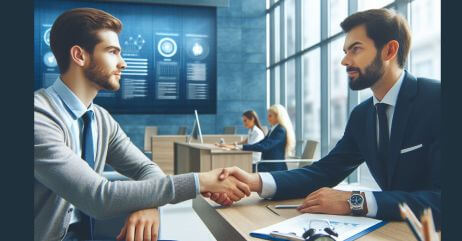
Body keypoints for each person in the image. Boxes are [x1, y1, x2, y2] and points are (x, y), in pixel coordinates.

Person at [210, 8, 441, 228]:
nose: (345, 61)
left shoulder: (439, 101)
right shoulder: (362, 115)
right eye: (345, 51)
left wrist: (354, 201)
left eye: (356, 49)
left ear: (389, 51)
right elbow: (324, 172)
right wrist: (254, 182)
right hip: (395, 230)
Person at [34, 8, 250, 241]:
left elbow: (146, 169)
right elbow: (98, 198)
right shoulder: (37, 117)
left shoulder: (102, 119)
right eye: (112, 52)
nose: (123, 63)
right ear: (79, 56)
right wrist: (201, 181)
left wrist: (149, 205)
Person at [237, 105, 295, 172]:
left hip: (273, 167)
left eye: (270, 116)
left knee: (242, 168)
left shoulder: (280, 130)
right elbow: (262, 142)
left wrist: (242, 147)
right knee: (242, 168)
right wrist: (242, 147)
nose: (267, 118)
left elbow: (265, 146)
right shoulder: (273, 129)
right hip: (267, 164)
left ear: (277, 116)